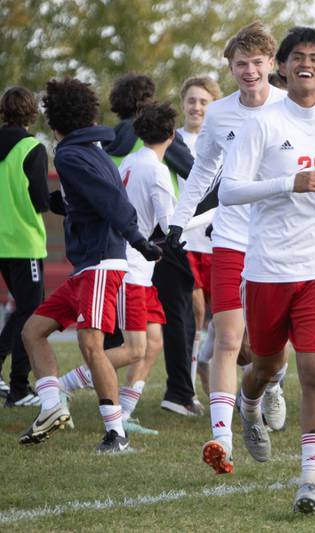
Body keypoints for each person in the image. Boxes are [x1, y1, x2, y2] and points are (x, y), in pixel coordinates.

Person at [218, 26, 315, 513]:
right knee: (265, 364)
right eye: (297, 56)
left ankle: (309, 481)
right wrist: (286, 183)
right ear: (282, 66)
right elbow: (229, 190)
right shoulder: (262, 123)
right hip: (269, 266)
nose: (306, 63)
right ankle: (249, 404)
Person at [164, 21, 288, 474]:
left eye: (257, 63)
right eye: (241, 65)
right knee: (227, 340)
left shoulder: (292, 107)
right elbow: (203, 173)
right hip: (231, 237)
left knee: (269, 346)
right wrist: (179, 222)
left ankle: (268, 388)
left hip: (279, 239)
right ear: (231, 69)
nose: (250, 71)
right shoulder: (219, 114)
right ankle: (222, 440)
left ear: (272, 64)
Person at [18, 78, 162, 452]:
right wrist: (62, 202)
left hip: (101, 262)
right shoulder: (90, 150)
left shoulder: (69, 154)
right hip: (87, 265)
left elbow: (111, 200)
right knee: (32, 330)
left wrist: (138, 240)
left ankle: (116, 433)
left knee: (91, 345)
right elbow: (90, 198)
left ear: (55, 120)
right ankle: (51, 407)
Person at [58, 103, 179, 436]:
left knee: (153, 343)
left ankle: (125, 411)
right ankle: (63, 386)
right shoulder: (157, 171)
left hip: (139, 268)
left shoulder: (130, 160)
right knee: (135, 348)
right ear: (172, 135)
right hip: (134, 269)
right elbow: (171, 228)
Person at [104, 73, 202, 416]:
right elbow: (196, 175)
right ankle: (178, 391)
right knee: (177, 314)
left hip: (115, 241)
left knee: (121, 329)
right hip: (158, 242)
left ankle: (116, 402)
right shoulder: (157, 140)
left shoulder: (110, 140)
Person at [0, 87, 49, 408]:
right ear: (32, 113)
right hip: (24, 241)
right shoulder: (32, 147)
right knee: (30, 314)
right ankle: (18, 386)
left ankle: (18, 384)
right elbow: (40, 200)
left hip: (3, 242)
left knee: (21, 310)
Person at [176, 76, 222, 396]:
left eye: (203, 102)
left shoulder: (220, 140)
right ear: (183, 104)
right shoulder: (171, 141)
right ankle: (187, 386)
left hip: (217, 241)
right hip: (185, 243)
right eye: (191, 100)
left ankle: (211, 372)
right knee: (195, 314)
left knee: (221, 319)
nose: (196, 107)